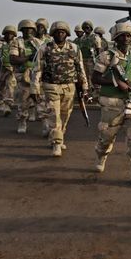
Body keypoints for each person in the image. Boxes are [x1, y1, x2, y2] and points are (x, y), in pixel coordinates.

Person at [91, 23, 131, 187]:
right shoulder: (106, 56)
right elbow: (95, 78)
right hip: (111, 105)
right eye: (122, 35)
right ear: (115, 38)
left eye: (129, 35)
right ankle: (101, 155)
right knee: (106, 138)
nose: (126, 38)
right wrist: (116, 83)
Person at [31, 21, 88, 157]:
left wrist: (85, 86)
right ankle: (56, 143)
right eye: (57, 32)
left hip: (69, 86)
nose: (60, 34)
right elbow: (37, 69)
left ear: (67, 34)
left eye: (62, 32)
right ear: (53, 34)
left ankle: (59, 136)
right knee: (54, 115)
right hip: (51, 86)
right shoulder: (45, 48)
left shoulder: (74, 48)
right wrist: (35, 88)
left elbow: (80, 68)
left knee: (65, 115)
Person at [9, 19, 41, 134]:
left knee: (41, 100)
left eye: (31, 29)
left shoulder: (38, 42)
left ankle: (47, 124)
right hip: (23, 75)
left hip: (38, 75)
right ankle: (22, 121)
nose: (28, 31)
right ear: (21, 30)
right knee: (23, 100)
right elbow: (13, 59)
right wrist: (28, 57)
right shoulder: (16, 42)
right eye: (25, 29)